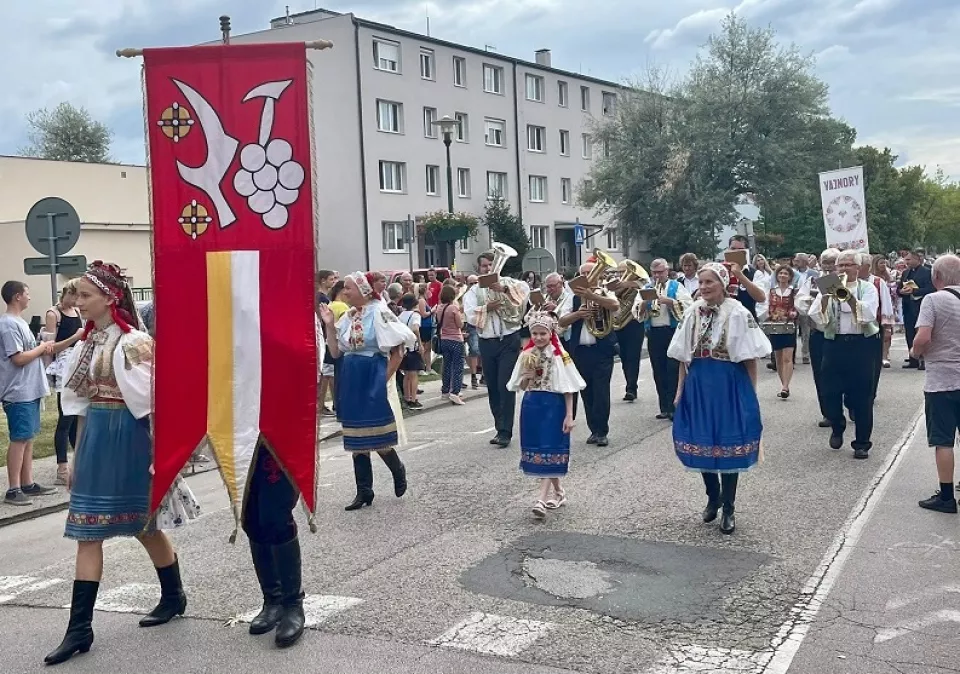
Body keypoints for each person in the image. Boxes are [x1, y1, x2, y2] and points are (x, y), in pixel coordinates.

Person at [45, 262, 199, 666]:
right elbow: (76, 403)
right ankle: (80, 629)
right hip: (97, 435)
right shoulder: (86, 344)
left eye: (85, 295)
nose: (78, 301)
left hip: (129, 438)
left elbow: (154, 402)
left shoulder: (133, 343)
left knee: (143, 525)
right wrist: (76, 455)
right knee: (86, 530)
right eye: (76, 295)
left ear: (110, 298)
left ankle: (173, 594)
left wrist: (161, 454)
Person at [668, 263, 771, 535]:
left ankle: (729, 506)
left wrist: (751, 393)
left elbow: (749, 357)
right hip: (699, 383)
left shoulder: (737, 312)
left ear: (722, 284)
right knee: (701, 439)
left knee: (728, 442)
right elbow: (682, 357)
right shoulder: (692, 312)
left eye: (708, 282)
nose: (703, 287)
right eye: (700, 283)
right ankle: (712, 495)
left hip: (729, 384)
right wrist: (680, 389)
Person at [318, 272, 416, 510]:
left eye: (349, 288)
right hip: (351, 374)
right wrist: (330, 325)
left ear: (362, 291)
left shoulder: (379, 312)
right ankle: (364, 491)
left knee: (375, 430)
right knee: (354, 435)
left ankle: (397, 468)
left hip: (371, 372)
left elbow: (398, 350)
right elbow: (336, 351)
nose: (345, 291)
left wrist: (383, 379)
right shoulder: (350, 316)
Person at [507, 311, 585, 518]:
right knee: (541, 451)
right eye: (535, 333)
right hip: (533, 404)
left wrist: (569, 415)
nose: (539, 337)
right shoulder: (527, 354)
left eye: (543, 333)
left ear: (550, 333)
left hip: (553, 405)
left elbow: (568, 387)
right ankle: (559, 492)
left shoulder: (558, 355)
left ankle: (541, 499)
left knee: (550, 447)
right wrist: (527, 376)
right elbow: (520, 385)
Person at [808, 251, 880, 458]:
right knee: (829, 391)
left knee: (862, 396)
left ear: (858, 268)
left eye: (849, 265)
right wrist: (825, 299)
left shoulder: (867, 288)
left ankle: (862, 443)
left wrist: (844, 295)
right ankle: (837, 425)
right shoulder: (828, 284)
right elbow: (815, 314)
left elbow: (867, 314)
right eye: (841, 265)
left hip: (861, 345)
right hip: (834, 343)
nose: (844, 268)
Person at [462, 252, 529, 448]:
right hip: (488, 341)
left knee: (505, 385)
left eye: (492, 264)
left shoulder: (508, 281)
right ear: (479, 269)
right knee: (492, 387)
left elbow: (525, 291)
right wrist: (487, 308)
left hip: (509, 339)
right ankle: (499, 425)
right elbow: (470, 315)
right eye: (485, 266)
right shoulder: (474, 291)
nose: (489, 269)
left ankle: (505, 431)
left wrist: (505, 289)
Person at [910, 254, 960, 513]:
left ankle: (946, 496)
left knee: (943, 440)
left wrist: (915, 353)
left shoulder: (933, 300)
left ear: (936, 277)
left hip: (942, 380)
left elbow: (923, 337)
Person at [1, 281, 57, 506]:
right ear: (17, 297)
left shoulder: (19, 322)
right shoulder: (7, 325)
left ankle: (28, 482)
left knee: (29, 437)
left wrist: (42, 345)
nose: (29, 298)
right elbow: (18, 358)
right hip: (18, 391)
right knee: (19, 438)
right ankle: (13, 488)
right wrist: (41, 348)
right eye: (27, 293)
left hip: (30, 389)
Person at [558, 262, 620, 446]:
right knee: (587, 393)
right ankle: (594, 429)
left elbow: (615, 305)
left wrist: (592, 296)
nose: (587, 277)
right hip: (581, 352)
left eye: (590, 273)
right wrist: (578, 314)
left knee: (601, 391)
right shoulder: (572, 298)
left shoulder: (604, 291)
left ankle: (602, 431)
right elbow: (562, 320)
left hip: (602, 350)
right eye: (583, 274)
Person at [632, 258, 693, 420]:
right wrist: (644, 304)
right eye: (655, 273)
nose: (658, 276)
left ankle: (675, 406)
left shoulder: (676, 286)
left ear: (667, 271)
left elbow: (688, 305)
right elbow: (636, 310)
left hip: (672, 332)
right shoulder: (646, 288)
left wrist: (669, 302)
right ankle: (664, 407)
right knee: (658, 370)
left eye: (661, 272)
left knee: (673, 370)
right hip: (654, 333)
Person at [43, 281, 86, 485]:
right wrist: (74, 338)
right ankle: (62, 467)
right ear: (67, 293)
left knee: (76, 417)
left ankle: (78, 463)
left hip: (79, 364)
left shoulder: (77, 311)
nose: (78, 300)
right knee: (65, 418)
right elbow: (49, 347)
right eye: (75, 295)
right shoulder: (54, 314)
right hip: (64, 367)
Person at [797, 248, 840, 428]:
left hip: (841, 335)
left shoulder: (846, 281)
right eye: (826, 262)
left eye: (832, 262)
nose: (829, 266)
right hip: (819, 333)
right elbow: (800, 300)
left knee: (843, 373)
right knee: (821, 374)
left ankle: (850, 404)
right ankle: (828, 412)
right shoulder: (811, 280)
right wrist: (808, 304)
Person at [759, 265, 799, 399]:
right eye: (780, 273)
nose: (782, 276)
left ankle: (785, 386)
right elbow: (763, 306)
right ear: (777, 276)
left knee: (788, 357)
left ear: (790, 277)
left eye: (785, 274)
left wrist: (794, 313)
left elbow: (798, 306)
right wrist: (767, 316)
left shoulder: (794, 291)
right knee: (778, 358)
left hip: (788, 326)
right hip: (775, 326)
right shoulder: (771, 291)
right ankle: (783, 384)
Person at [859, 252, 894, 401]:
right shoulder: (845, 282)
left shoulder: (878, 282)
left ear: (866, 267)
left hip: (875, 325)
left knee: (872, 361)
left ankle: (871, 391)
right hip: (854, 328)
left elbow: (886, 303)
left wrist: (886, 327)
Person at [611, 261, 647, 403]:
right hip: (619, 324)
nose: (621, 275)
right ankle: (629, 383)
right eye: (619, 272)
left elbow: (645, 285)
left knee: (633, 356)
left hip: (634, 324)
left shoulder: (639, 283)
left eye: (623, 272)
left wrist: (628, 284)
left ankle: (631, 388)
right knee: (624, 356)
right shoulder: (615, 284)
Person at [899, 250, 934, 370]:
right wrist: (901, 292)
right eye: (905, 260)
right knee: (909, 333)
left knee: (921, 333)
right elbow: (899, 288)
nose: (906, 262)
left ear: (917, 259)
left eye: (908, 259)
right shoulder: (905, 273)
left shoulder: (927, 272)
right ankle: (913, 359)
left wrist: (914, 291)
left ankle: (923, 359)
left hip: (921, 307)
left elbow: (931, 289)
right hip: (908, 307)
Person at [435, 285, 466, 405]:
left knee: (447, 365)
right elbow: (459, 325)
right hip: (456, 339)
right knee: (458, 366)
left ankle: (445, 390)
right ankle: (455, 392)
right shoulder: (453, 308)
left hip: (444, 339)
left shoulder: (439, 308)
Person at [727, 236, 768, 318]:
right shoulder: (720, 270)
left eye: (740, 249)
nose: (736, 252)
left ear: (746, 252)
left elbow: (761, 298)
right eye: (733, 249)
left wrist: (740, 275)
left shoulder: (755, 273)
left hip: (747, 321)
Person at [315, 270, 338, 417]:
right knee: (325, 373)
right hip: (323, 335)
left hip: (325, 335)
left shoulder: (324, 296)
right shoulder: (321, 297)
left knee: (328, 372)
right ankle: (320, 404)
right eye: (331, 279)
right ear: (323, 281)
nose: (333, 281)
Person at [397, 294, 425, 410]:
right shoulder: (415, 315)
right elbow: (415, 329)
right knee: (413, 375)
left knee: (406, 375)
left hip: (404, 347)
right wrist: (420, 343)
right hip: (413, 346)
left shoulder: (401, 315)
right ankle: (413, 399)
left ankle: (406, 397)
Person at [463, 275, 482, 390]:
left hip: (483, 324)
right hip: (472, 325)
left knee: (484, 350)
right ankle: (473, 375)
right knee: (474, 349)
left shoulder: (482, 293)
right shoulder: (466, 296)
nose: (474, 285)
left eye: (476, 282)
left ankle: (483, 375)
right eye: (471, 283)